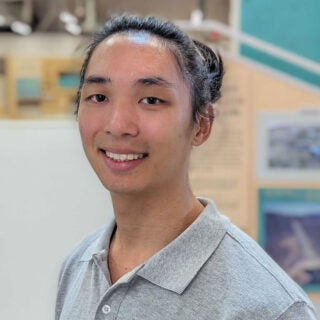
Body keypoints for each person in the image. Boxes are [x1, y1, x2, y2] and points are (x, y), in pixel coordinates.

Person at [55, 14, 318, 320]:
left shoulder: (268, 308)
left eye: (151, 100)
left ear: (202, 125)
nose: (117, 125)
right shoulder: (80, 263)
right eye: (98, 97)